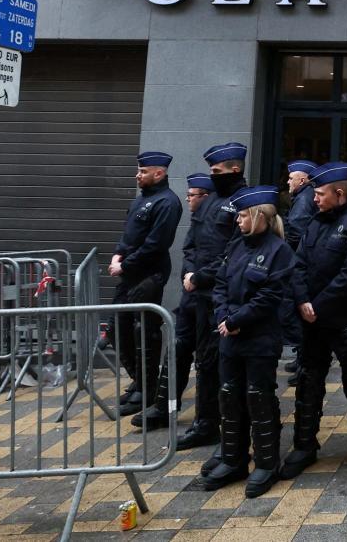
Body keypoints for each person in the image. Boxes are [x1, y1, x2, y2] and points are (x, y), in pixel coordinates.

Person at [281, 162, 347, 479]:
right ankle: (304, 445)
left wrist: (316, 305)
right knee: (309, 382)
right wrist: (301, 301)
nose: (315, 200)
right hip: (312, 320)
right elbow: (297, 265)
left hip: (346, 319)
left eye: (320, 194)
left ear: (339, 194)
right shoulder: (315, 223)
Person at [197, 186, 295, 498]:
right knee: (229, 396)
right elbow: (221, 284)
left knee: (259, 397)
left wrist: (237, 320)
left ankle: (266, 463)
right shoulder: (237, 245)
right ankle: (233, 459)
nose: (237, 221)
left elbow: (270, 296)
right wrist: (224, 317)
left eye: (242, 216)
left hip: (259, 338)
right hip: (231, 337)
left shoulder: (279, 251)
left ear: (259, 217)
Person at [180, 142, 249, 455]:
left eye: (217, 171)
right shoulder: (209, 202)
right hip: (200, 296)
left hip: (224, 296)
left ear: (235, 169)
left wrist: (200, 277)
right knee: (205, 363)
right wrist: (190, 275)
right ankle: (205, 423)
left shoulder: (243, 202)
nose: (213, 175)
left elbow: (233, 250)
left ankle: (233, 425)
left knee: (229, 366)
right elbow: (192, 244)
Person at [132, 173, 212, 430]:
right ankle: (164, 406)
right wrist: (189, 274)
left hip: (210, 296)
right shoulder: (198, 221)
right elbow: (188, 250)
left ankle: (206, 419)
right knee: (177, 348)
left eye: (192, 196)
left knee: (207, 360)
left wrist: (199, 277)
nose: (188, 200)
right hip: (191, 295)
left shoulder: (220, 218)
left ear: (205, 197)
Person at [111, 151, 182, 418]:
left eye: (142, 172)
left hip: (148, 275)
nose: (137, 176)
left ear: (159, 173)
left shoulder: (167, 203)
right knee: (119, 328)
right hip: (130, 274)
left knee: (144, 333)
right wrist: (119, 254)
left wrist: (125, 264)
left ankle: (147, 388)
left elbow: (156, 245)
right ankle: (139, 381)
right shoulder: (143, 200)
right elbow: (129, 234)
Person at [282, 160, 318, 384]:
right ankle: (301, 358)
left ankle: (305, 364)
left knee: (298, 315)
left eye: (291, 177)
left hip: (298, 261)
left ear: (302, 180)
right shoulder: (304, 196)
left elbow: (296, 230)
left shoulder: (304, 199)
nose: (287, 181)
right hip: (300, 260)